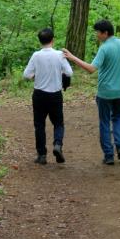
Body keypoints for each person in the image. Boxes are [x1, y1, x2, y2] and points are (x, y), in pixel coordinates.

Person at [63, 19, 120, 165]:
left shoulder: (104, 48)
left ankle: (108, 155)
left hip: (105, 92)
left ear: (105, 33)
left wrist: (72, 57)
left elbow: (91, 69)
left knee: (104, 122)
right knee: (117, 118)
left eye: (98, 32)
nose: (97, 35)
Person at [23, 27, 73, 165]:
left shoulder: (36, 55)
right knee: (58, 123)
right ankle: (57, 144)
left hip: (39, 94)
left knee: (39, 125)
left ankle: (42, 155)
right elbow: (69, 72)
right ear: (53, 40)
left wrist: (35, 76)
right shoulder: (59, 55)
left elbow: (26, 75)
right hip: (55, 94)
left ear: (40, 41)